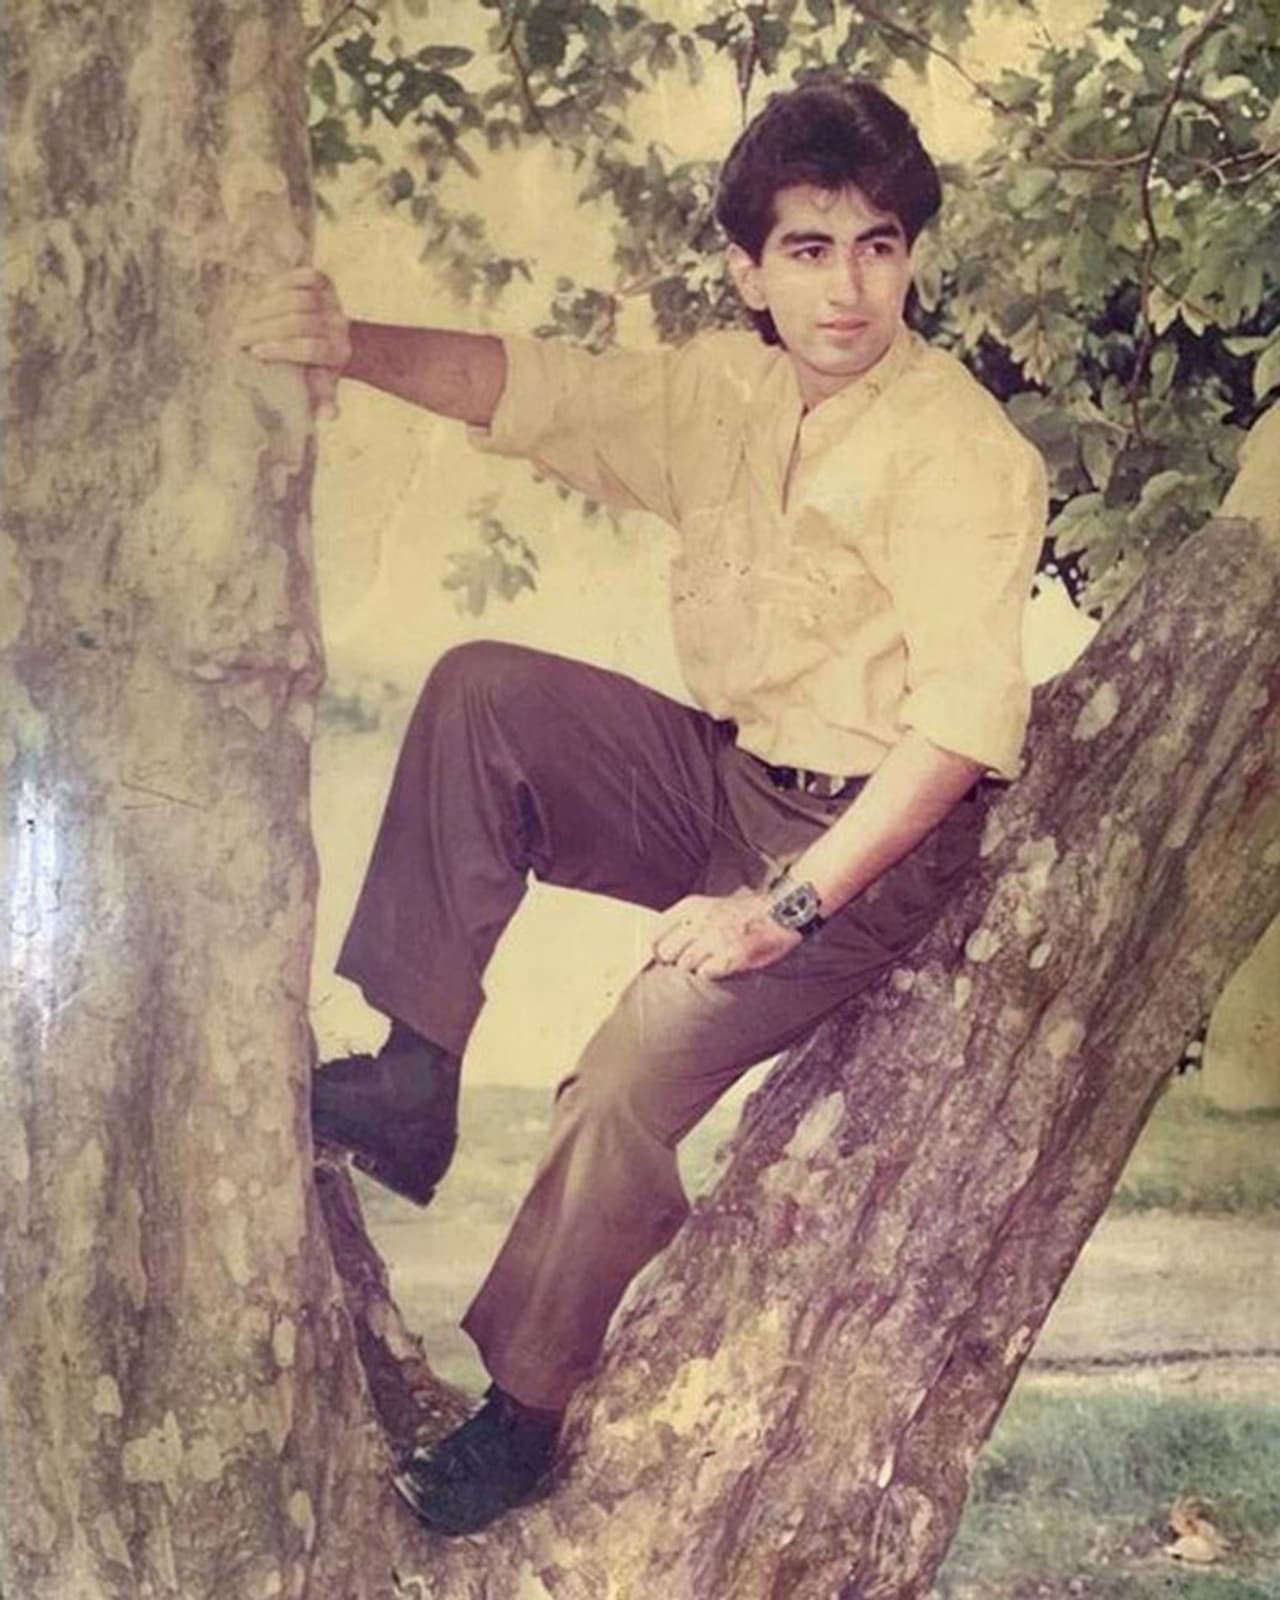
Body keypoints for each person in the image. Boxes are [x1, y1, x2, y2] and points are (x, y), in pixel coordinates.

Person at [235, 77, 1047, 1535]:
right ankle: (414, 1081)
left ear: (912, 255)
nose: (848, 288)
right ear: (749, 269)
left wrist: (778, 911)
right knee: (485, 692)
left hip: (873, 848)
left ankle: (522, 1411)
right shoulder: (723, 394)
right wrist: (346, 345)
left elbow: (955, 737)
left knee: (624, 1070)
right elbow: (529, 388)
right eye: (809, 249)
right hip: (730, 779)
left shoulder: (960, 451)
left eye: (878, 246)